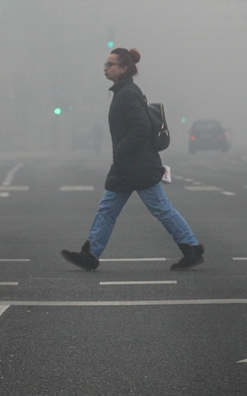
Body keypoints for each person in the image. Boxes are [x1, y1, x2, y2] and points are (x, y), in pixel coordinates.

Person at [61, 48, 205, 271]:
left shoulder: (127, 94)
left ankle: (192, 249)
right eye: (106, 64)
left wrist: (121, 150)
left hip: (137, 165)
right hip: (129, 165)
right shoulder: (124, 92)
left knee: (159, 208)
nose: (105, 68)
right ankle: (89, 254)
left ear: (124, 68)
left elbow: (141, 127)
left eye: (110, 64)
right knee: (108, 208)